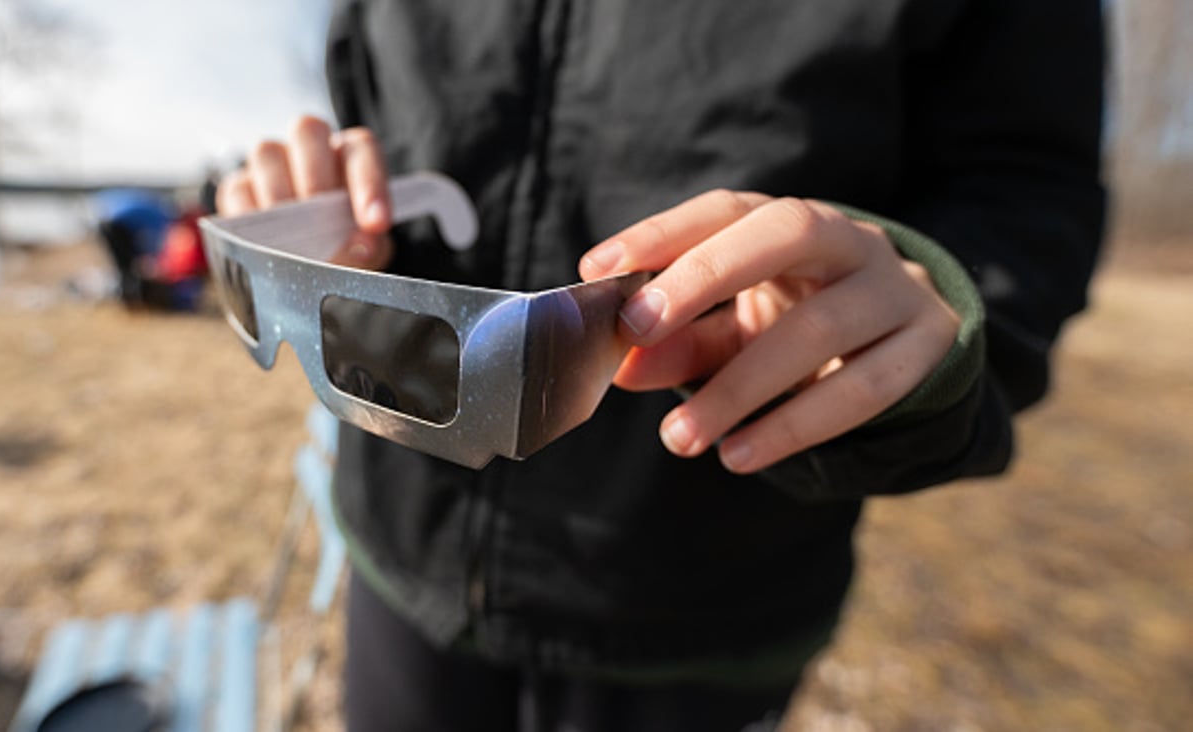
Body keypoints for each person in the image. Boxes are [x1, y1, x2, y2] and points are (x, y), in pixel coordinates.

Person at [219, 1, 1105, 730]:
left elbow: (1024, 192)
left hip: (699, 606)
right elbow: (375, 116)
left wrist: (919, 317)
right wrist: (322, 216)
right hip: (399, 559)